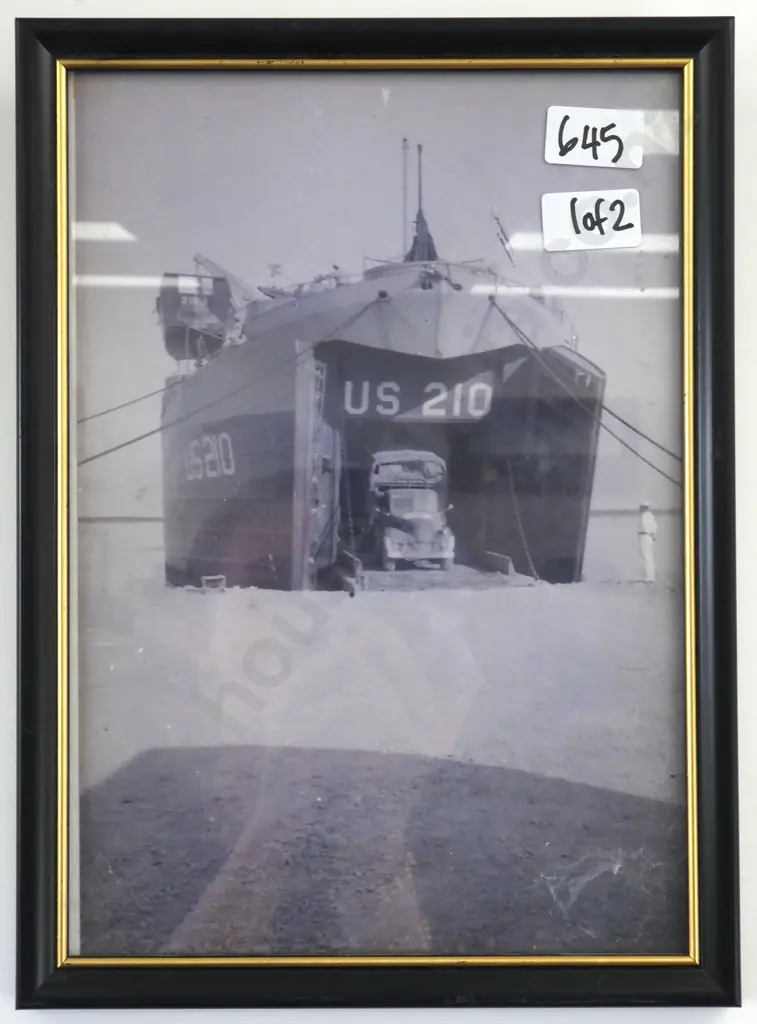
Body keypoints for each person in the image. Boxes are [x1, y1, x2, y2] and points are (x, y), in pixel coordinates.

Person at [638, 501, 658, 583]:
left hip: (644, 536)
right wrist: (652, 535)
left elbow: (645, 527)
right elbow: (655, 527)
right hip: (650, 537)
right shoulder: (651, 516)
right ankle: (651, 576)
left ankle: (647, 577)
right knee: (649, 557)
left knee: (645, 556)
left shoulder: (644, 516)